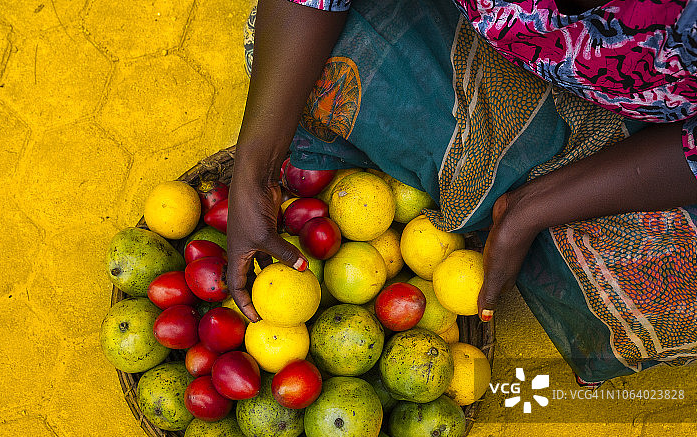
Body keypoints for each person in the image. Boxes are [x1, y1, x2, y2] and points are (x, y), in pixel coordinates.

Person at [227, 0, 697, 384]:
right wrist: (254, 172)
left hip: (652, 145)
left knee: (669, 306)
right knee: (291, 58)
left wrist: (532, 208)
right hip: (486, 49)